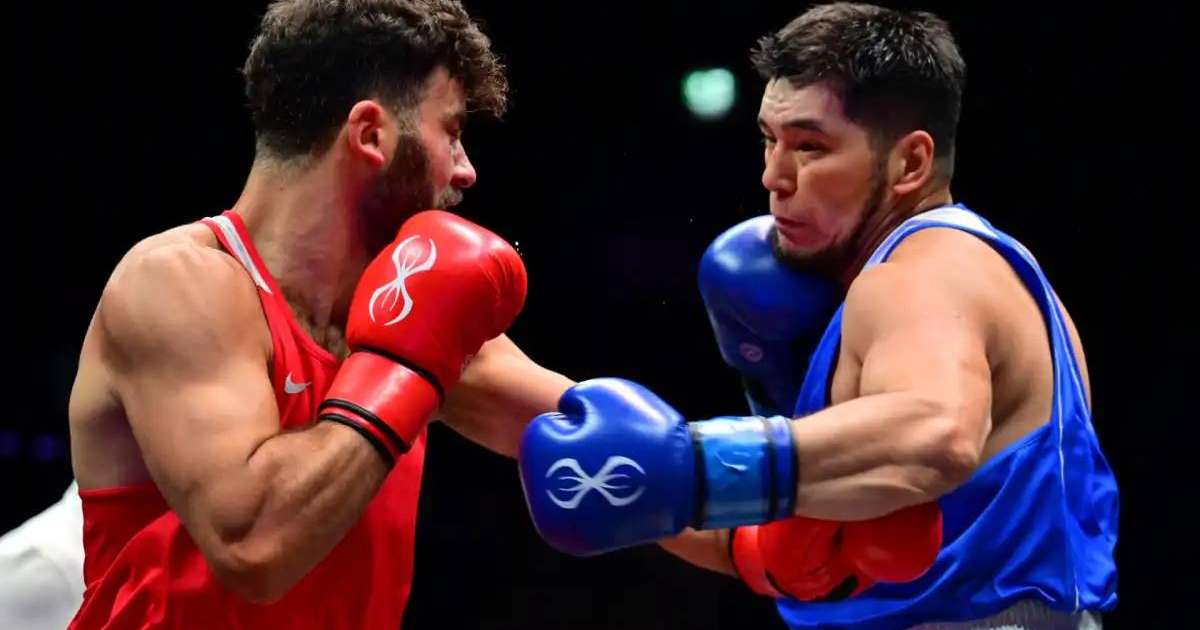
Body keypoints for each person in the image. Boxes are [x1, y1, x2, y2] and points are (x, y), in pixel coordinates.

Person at [516, 3, 1118, 628]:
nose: (774, 176)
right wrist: (640, 482)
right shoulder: (976, 270)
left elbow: (940, 433)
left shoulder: (925, 275)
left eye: (810, 147)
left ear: (910, 164)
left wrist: (695, 467)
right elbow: (786, 540)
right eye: (769, 140)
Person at [65, 1, 570, 628]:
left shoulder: (405, 306)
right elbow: (254, 547)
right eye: (451, 130)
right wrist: (400, 370)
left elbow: (618, 444)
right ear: (370, 134)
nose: (465, 169)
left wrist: (724, 493)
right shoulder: (176, 285)